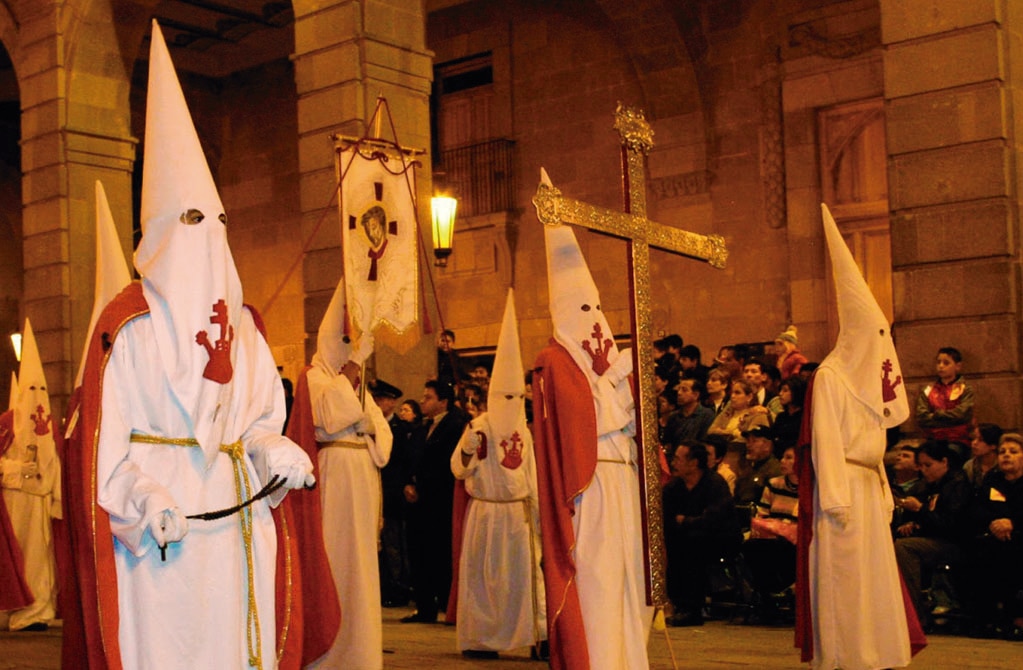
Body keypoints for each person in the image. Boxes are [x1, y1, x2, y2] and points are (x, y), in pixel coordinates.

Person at [65, 22, 317, 669]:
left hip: (236, 518)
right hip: (162, 526)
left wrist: (274, 447)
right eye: (192, 221)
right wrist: (145, 502)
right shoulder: (129, 330)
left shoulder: (249, 328)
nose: (209, 237)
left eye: (219, 222)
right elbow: (105, 454)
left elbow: (256, 422)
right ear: (159, 232)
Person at [795, 204, 925, 669]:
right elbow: (827, 443)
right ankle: (848, 656)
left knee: (873, 577)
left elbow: (876, 448)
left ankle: (878, 651)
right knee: (846, 578)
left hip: (868, 485)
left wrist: (885, 488)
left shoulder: (867, 381)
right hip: (844, 492)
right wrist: (836, 499)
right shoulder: (831, 377)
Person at [532, 218, 653, 669]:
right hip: (591, 486)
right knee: (600, 578)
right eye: (584, 308)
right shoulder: (555, 360)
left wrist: (629, 387)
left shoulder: (605, 363)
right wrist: (618, 384)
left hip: (623, 480)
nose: (594, 319)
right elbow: (581, 424)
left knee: (630, 578)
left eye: (597, 307)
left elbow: (635, 428)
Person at [297, 278, 393, 670]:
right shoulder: (314, 377)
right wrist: (352, 373)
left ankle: (361, 651)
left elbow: (381, 430)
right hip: (334, 475)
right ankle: (332, 653)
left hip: (362, 474)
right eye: (344, 341)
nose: (349, 350)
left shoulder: (356, 384)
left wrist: (367, 423)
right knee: (337, 558)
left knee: (362, 566)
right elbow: (333, 415)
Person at [450, 290, 547, 660]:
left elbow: (533, 475)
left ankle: (538, 636)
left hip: (517, 514)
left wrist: (536, 515)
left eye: (515, 398)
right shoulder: (479, 426)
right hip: (487, 514)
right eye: (503, 397)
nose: (511, 405)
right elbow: (457, 468)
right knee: (484, 580)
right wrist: (469, 448)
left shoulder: (524, 430)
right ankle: (481, 639)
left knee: (526, 579)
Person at [0, 320, 60, 631]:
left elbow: (56, 461)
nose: (36, 395)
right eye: (31, 389)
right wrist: (16, 472)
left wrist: (58, 499)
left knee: (42, 558)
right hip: (14, 503)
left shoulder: (50, 425)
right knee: (17, 558)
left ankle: (38, 610)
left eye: (41, 389)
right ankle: (17, 610)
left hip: (41, 500)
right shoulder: (6, 425)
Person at [402, 379, 468, 623]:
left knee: (440, 553)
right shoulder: (420, 427)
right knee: (418, 552)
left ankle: (445, 604)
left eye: (428, 397)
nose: (422, 401)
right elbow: (410, 459)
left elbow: (446, 464)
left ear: (443, 402)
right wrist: (408, 483)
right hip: (417, 500)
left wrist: (423, 486)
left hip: (440, 500)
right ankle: (424, 606)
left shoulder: (455, 426)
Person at [662, 440, 740, 627]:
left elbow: (714, 519)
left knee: (693, 547)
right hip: (686, 537)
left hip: (719, 539)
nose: (673, 463)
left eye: (679, 459)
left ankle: (692, 608)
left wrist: (686, 521)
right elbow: (667, 517)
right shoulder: (675, 487)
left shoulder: (715, 484)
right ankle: (678, 603)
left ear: (694, 463)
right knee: (674, 545)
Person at [893, 440, 970, 628]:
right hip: (933, 538)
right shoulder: (925, 486)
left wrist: (920, 510)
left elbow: (951, 525)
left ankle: (914, 615)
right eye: (921, 466)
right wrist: (913, 523)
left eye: (929, 465)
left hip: (956, 543)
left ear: (944, 462)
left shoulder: (957, 484)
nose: (924, 471)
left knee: (905, 548)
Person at [965, 433, 1023, 640]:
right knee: (979, 552)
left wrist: (1012, 523)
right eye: (1002, 452)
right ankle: (986, 617)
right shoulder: (993, 479)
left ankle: (1016, 617)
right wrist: (995, 522)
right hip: (995, 535)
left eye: (1013, 452)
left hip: (1018, 534)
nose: (1006, 456)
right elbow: (980, 508)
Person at [744, 446, 800, 615]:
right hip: (771, 535)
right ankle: (767, 595)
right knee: (751, 547)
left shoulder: (810, 488)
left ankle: (777, 592)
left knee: (777, 549)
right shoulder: (774, 484)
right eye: (783, 457)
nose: (783, 461)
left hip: (795, 540)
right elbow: (762, 513)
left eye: (789, 458)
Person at [378, 390, 418, 608]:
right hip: (377, 490)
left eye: (381, 398)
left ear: (391, 402)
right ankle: (387, 586)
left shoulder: (401, 429)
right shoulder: (370, 426)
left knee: (394, 542)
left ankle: (400, 587)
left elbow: (405, 461)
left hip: (393, 493)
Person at [915, 347, 975, 446]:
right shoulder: (928, 390)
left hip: (958, 440)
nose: (941, 366)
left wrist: (937, 415)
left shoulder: (965, 389)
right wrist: (949, 420)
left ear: (958, 366)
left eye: (946, 363)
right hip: (933, 439)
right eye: (938, 362)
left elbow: (962, 415)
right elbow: (922, 418)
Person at [664, 378, 714, 456]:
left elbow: (704, 442)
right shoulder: (673, 417)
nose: (679, 393)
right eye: (679, 389)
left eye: (684, 390)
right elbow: (668, 443)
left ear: (696, 395)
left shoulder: (707, 415)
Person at [963, 422, 1002, 493]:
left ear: (993, 445)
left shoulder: (1002, 466)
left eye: (980, 440)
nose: (974, 443)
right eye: (973, 439)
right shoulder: (969, 466)